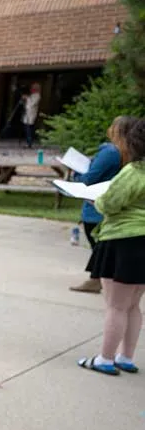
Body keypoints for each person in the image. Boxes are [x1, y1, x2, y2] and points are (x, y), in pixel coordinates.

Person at [78, 118, 145, 376]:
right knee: (133, 305)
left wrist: (97, 201)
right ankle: (126, 357)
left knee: (116, 306)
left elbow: (109, 203)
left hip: (123, 240)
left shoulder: (133, 172)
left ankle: (104, 359)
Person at [69, 116, 138, 294]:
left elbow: (89, 178)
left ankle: (97, 279)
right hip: (119, 209)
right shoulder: (133, 157)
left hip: (98, 204)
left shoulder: (110, 152)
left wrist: (76, 174)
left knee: (99, 246)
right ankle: (98, 278)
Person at [21, 83, 41, 148]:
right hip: (28, 114)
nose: (31, 89)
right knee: (27, 129)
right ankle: (28, 142)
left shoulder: (37, 95)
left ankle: (29, 143)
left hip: (30, 115)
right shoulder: (32, 95)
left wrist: (27, 98)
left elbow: (31, 104)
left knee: (28, 129)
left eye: (33, 87)